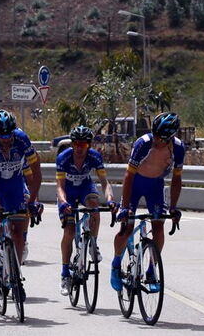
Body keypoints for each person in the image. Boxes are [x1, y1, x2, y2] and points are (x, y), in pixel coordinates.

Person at [111, 112, 185, 292]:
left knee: (159, 226)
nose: (156, 140)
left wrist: (174, 208)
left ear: (170, 137)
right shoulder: (143, 143)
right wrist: (125, 207)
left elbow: (176, 180)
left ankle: (152, 268)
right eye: (155, 134)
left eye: (161, 138)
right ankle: (115, 263)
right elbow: (129, 175)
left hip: (155, 187)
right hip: (135, 185)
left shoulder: (178, 148)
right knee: (127, 227)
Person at [0, 109, 42, 286]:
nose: (5, 140)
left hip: (15, 182)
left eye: (8, 136)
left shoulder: (22, 139)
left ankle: (15, 274)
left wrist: (33, 201)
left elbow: (37, 174)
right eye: (1, 136)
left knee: (18, 232)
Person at [56, 125, 114, 296]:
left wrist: (110, 199)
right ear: (72, 144)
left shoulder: (94, 157)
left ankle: (93, 244)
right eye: (77, 144)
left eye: (84, 145)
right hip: (67, 191)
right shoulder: (63, 157)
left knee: (94, 207)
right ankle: (65, 274)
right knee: (69, 230)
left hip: (85, 187)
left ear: (89, 145)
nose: (80, 148)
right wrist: (64, 202)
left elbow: (104, 182)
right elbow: (59, 186)